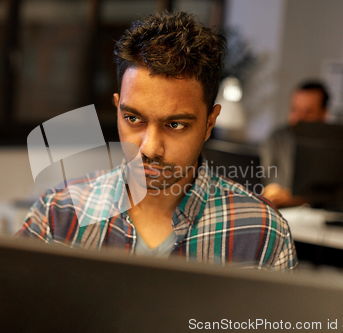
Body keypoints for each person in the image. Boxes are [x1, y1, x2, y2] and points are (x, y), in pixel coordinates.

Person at [18, 12, 297, 270]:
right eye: (133, 119)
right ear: (118, 109)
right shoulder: (60, 211)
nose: (150, 148)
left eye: (175, 125)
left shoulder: (261, 233)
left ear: (209, 123)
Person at [261, 81, 329, 208]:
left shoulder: (331, 146)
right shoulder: (277, 138)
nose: (299, 118)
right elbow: (267, 181)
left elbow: (329, 195)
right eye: (294, 110)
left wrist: (296, 199)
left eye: (308, 112)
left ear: (324, 114)